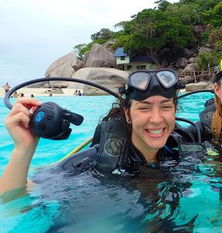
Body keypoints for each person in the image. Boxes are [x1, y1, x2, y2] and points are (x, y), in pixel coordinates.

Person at [0, 69, 187, 195]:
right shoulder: (93, 162)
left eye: (165, 107)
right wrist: (23, 149)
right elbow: (12, 200)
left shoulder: (180, 153)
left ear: (175, 111)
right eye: (144, 108)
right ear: (127, 115)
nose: (156, 119)